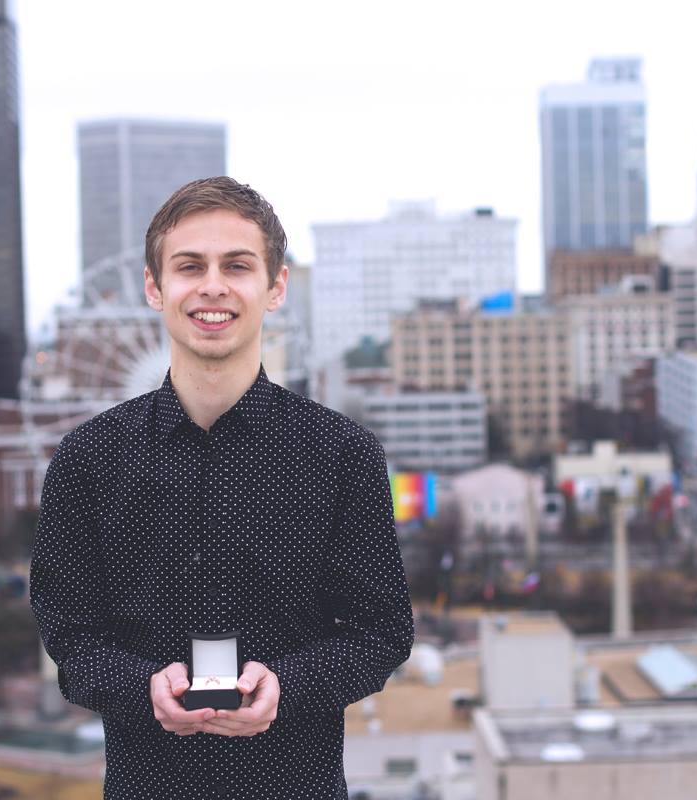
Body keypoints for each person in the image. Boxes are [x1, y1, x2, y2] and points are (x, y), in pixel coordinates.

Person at [29, 176, 414, 799]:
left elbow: (383, 632)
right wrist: (142, 690)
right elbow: (70, 639)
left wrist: (288, 686)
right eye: (190, 267)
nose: (213, 286)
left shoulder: (342, 454)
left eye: (237, 265)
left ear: (276, 287)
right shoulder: (88, 460)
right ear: (154, 287)